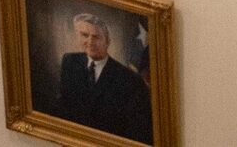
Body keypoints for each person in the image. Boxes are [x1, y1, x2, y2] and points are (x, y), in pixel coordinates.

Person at [39, 9, 154, 142]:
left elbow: (137, 129)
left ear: (108, 41)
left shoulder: (129, 79)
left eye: (96, 37)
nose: (90, 42)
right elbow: (64, 103)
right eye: (85, 35)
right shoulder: (70, 61)